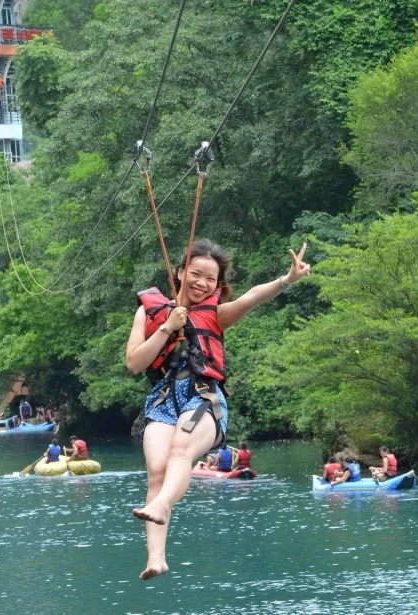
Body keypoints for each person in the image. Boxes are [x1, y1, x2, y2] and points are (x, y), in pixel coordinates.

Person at [126, 239, 310, 580]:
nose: (202, 283)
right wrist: (168, 327)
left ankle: (163, 504)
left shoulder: (216, 314)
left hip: (203, 398)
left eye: (210, 279)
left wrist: (287, 280)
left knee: (181, 450)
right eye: (195, 274)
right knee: (156, 471)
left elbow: (251, 297)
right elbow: (135, 364)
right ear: (180, 272)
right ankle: (156, 559)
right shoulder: (149, 312)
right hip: (164, 400)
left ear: (217, 285)